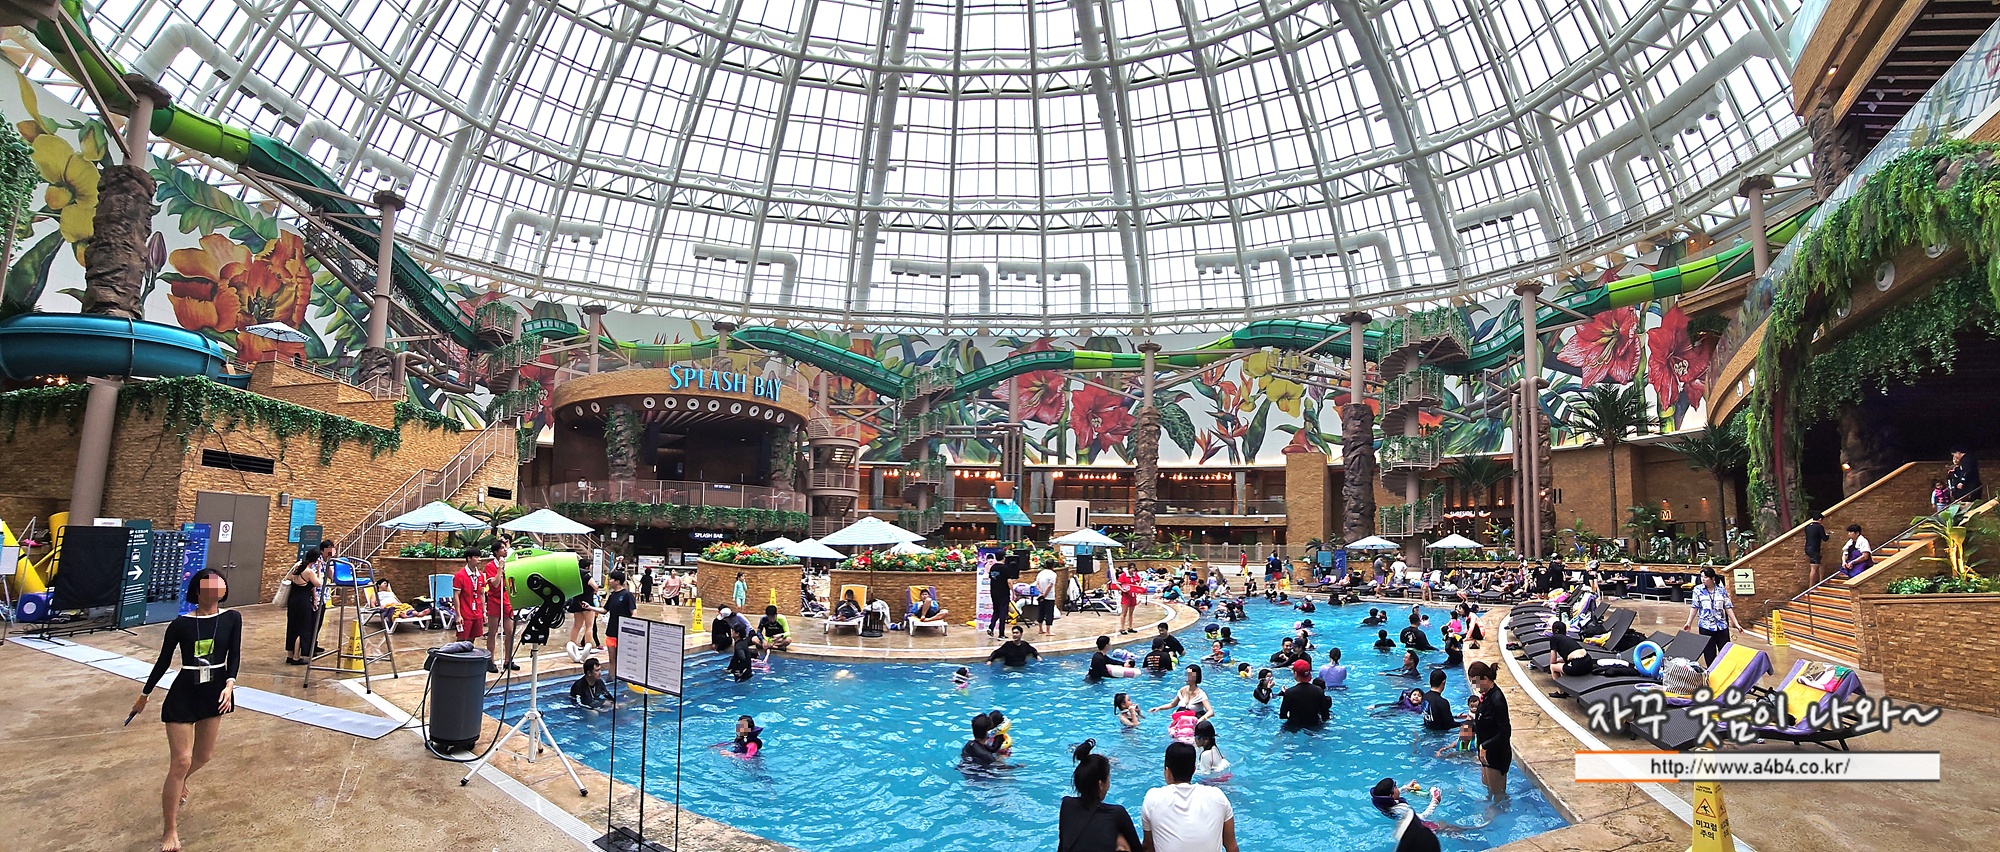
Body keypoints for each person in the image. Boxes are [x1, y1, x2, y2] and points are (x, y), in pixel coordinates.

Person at [133, 567, 239, 852]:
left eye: (218, 585)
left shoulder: (232, 618)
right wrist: (144, 695)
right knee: (181, 761)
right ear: (197, 591)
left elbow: (235, 655)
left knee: (203, 756)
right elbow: (163, 661)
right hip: (184, 693)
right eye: (208, 586)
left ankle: (180, 782)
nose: (214, 591)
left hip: (215, 693)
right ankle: (170, 829)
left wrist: (230, 685)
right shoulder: (180, 624)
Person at [1140, 741, 1238, 852]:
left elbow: (1148, 846)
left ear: (1167, 771)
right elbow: (1232, 848)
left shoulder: (1153, 799)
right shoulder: (1218, 797)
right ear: (1194, 770)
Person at [1061, 740, 1142, 852]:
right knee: (1122, 841)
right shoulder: (1117, 814)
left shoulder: (1066, 805)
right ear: (1100, 784)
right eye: (1108, 779)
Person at [1467, 661, 1511, 804]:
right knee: (1488, 785)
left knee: (1498, 794)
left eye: (1475, 682)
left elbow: (1505, 732)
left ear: (1485, 679)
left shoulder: (1497, 700)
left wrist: (1485, 746)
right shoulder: (1485, 695)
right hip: (1485, 751)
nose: (1474, 686)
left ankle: (1498, 810)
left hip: (1496, 753)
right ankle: (1489, 801)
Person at [1681, 568, 1744, 666]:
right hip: (1705, 627)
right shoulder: (1698, 590)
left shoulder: (1721, 590)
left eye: (1706, 577)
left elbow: (1728, 607)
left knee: (1725, 653)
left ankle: (1724, 671)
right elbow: (1694, 607)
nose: (1703, 579)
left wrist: (1736, 623)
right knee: (1709, 654)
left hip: (1721, 627)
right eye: (1702, 577)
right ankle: (1711, 672)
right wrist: (1689, 623)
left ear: (1713, 578)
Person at [452, 549, 500, 672]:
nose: (479, 559)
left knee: (472, 638)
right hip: (465, 612)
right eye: (476, 557)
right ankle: (457, 663)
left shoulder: (480, 575)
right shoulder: (460, 575)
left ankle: (467, 662)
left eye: (480, 557)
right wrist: (458, 615)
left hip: (477, 612)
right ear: (469, 558)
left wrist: (483, 611)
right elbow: (456, 595)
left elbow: (482, 593)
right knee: (461, 639)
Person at [1370, 778, 1445, 852]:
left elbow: (1392, 796)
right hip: (1417, 826)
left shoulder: (1381, 804)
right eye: (1395, 787)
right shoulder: (1401, 809)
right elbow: (1421, 817)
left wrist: (1406, 788)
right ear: (1391, 795)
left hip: (1403, 826)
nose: (1397, 788)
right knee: (1444, 827)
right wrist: (1435, 802)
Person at [283, 544, 326, 666]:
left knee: (292, 627)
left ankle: (290, 655)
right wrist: (319, 570)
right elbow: (318, 583)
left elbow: (288, 578)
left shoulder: (297, 566)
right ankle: (296, 657)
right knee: (302, 628)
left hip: (293, 600)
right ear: (316, 560)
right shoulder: (309, 572)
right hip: (303, 602)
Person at [486, 540, 520, 671]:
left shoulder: (509, 564)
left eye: (505, 548)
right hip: (494, 600)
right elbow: (495, 584)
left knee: (510, 631)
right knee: (493, 631)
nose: (505, 550)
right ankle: (490, 660)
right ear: (496, 552)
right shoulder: (490, 566)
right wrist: (500, 568)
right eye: (502, 548)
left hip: (506, 599)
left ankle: (508, 659)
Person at [1151, 665, 1215, 722]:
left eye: (1189, 675)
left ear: (1196, 677)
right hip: (1181, 722)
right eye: (1186, 675)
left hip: (1194, 722)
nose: (1186, 677)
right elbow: (1172, 704)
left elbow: (1210, 711)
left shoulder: (1200, 694)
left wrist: (1201, 719)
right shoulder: (1182, 690)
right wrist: (1159, 708)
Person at [1277, 659, 1330, 727]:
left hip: (1294, 727)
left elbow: (1282, 715)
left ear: (1295, 673)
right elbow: (1325, 716)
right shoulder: (1319, 691)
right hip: (1314, 726)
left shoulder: (1289, 693)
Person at [603, 571, 637, 674]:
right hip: (611, 631)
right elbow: (604, 610)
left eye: (611, 579)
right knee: (612, 659)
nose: (609, 581)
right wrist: (590, 607)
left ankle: (623, 677)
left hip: (623, 633)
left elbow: (634, 613)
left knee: (622, 659)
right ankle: (611, 677)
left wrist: (629, 627)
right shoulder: (612, 595)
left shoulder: (627, 595)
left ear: (617, 582)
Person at [567, 580, 605, 661]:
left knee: (576, 625)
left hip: (577, 602)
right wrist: (594, 589)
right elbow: (595, 586)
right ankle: (587, 647)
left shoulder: (575, 576)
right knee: (589, 626)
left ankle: (572, 645)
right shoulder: (587, 576)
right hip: (587, 602)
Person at [987, 558, 1013, 639]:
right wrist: (1013, 591)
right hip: (1003, 593)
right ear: (1004, 558)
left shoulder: (993, 567)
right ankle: (1001, 634)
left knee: (996, 611)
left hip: (994, 593)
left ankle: (991, 627)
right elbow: (1009, 581)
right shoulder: (1005, 568)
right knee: (1003, 613)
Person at [1034, 559, 1060, 636]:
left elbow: (1037, 584)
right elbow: (1050, 585)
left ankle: (1040, 629)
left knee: (1041, 612)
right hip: (1049, 596)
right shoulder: (1053, 574)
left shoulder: (1041, 573)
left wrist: (1041, 593)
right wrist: (1045, 594)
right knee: (1049, 613)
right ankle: (1048, 631)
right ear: (1053, 566)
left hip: (1040, 596)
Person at [1803, 511, 1828, 584]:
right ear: (1820, 519)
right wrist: (1828, 535)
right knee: (1814, 568)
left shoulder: (1808, 527)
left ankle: (1821, 580)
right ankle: (1811, 586)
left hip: (1808, 548)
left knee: (1820, 564)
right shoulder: (1819, 527)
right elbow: (1824, 538)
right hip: (1815, 549)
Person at [1116, 569, 1142, 635]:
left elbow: (1139, 580)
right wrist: (1122, 590)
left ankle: (1130, 627)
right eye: (1131, 568)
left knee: (1131, 613)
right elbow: (1117, 584)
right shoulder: (1123, 575)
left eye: (1133, 568)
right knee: (1124, 613)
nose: (1132, 570)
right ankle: (1122, 628)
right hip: (1126, 596)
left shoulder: (1135, 575)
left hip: (1133, 596)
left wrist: (1138, 584)